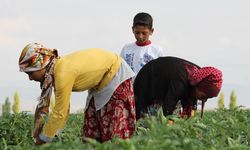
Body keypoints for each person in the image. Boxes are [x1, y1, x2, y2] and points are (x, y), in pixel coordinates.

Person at [18, 43, 136, 145]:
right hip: (100, 82)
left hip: (116, 74)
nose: (30, 78)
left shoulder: (62, 74)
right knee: (91, 130)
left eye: (30, 73)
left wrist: (43, 140)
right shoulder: (57, 69)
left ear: (41, 66)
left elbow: (60, 113)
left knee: (113, 130)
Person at [133, 56, 223, 120]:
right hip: (149, 82)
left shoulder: (198, 77)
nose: (205, 100)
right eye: (204, 96)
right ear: (198, 87)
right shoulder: (181, 82)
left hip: (165, 84)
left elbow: (189, 106)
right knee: (149, 122)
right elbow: (167, 110)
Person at [120, 12, 164, 77]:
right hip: (130, 86)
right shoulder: (126, 49)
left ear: (151, 31)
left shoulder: (157, 51)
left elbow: (160, 73)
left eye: (144, 33)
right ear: (133, 30)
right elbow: (121, 71)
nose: (140, 36)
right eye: (137, 33)